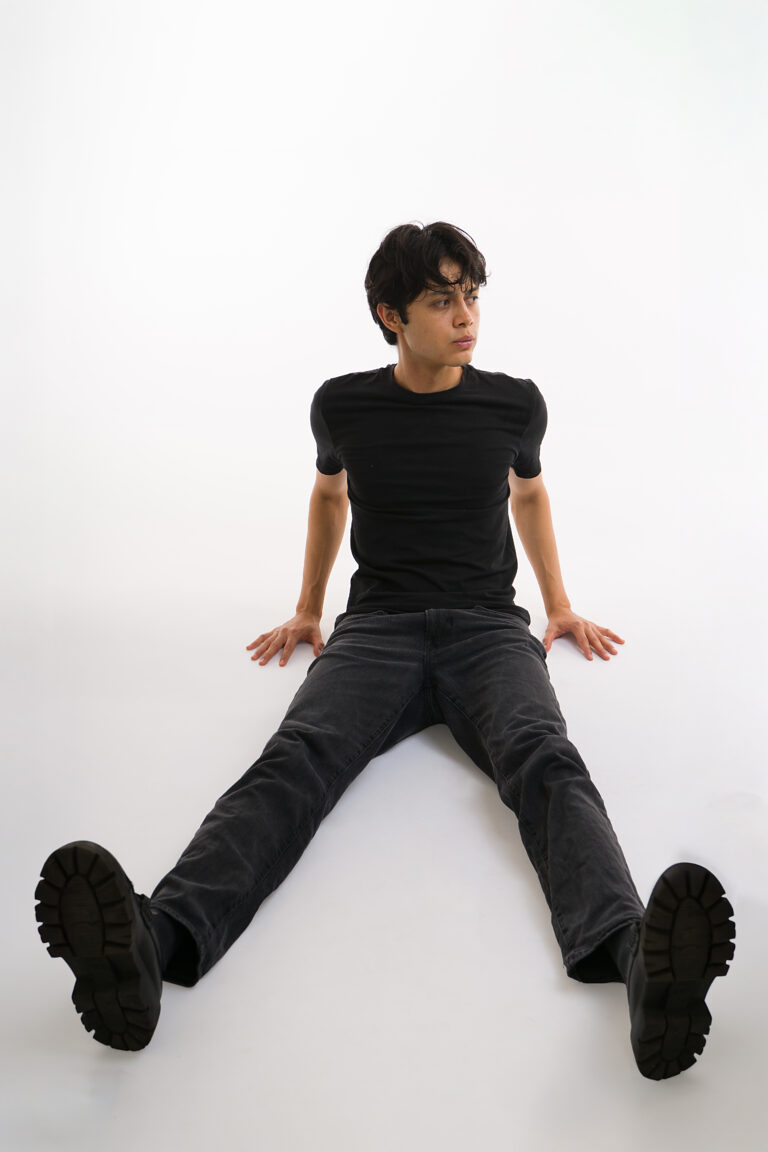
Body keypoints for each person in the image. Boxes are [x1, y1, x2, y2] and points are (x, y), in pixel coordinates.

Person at [35, 222, 735, 1079]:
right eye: (441, 300)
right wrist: (307, 609)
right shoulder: (343, 405)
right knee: (297, 757)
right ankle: (156, 941)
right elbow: (328, 494)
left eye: (471, 295)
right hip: (376, 631)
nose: (465, 316)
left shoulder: (515, 404)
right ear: (391, 315)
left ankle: (636, 960)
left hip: (488, 629)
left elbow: (529, 492)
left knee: (544, 757)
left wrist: (558, 606)